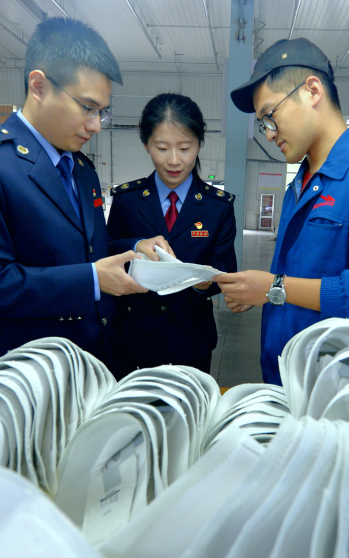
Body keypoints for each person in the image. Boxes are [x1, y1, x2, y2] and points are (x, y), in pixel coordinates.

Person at [0, 18, 170, 371]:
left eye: (101, 112)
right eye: (86, 107)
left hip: (98, 363)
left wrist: (135, 248)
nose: (94, 125)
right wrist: (91, 280)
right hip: (35, 373)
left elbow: (89, 249)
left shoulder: (81, 169)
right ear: (39, 86)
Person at [215, 38, 349, 385]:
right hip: (287, 378)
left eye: (270, 116)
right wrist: (263, 290)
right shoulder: (299, 185)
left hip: (344, 392)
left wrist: (274, 288)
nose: (268, 134)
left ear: (312, 91)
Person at [107, 93, 237, 375]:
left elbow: (226, 268)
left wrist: (203, 283)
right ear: (146, 145)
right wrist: (136, 245)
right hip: (135, 338)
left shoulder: (218, 207)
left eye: (185, 148)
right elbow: (106, 250)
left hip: (192, 339)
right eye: (162, 148)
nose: (174, 160)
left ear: (199, 145)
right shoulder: (127, 200)